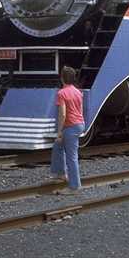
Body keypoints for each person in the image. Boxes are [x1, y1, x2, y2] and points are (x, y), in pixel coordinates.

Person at [50, 65, 86, 194]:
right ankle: (61, 173)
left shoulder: (61, 93)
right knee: (57, 146)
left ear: (62, 78)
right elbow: (81, 110)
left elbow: (63, 114)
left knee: (72, 157)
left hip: (70, 126)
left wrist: (59, 131)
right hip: (79, 123)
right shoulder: (78, 92)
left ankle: (74, 186)